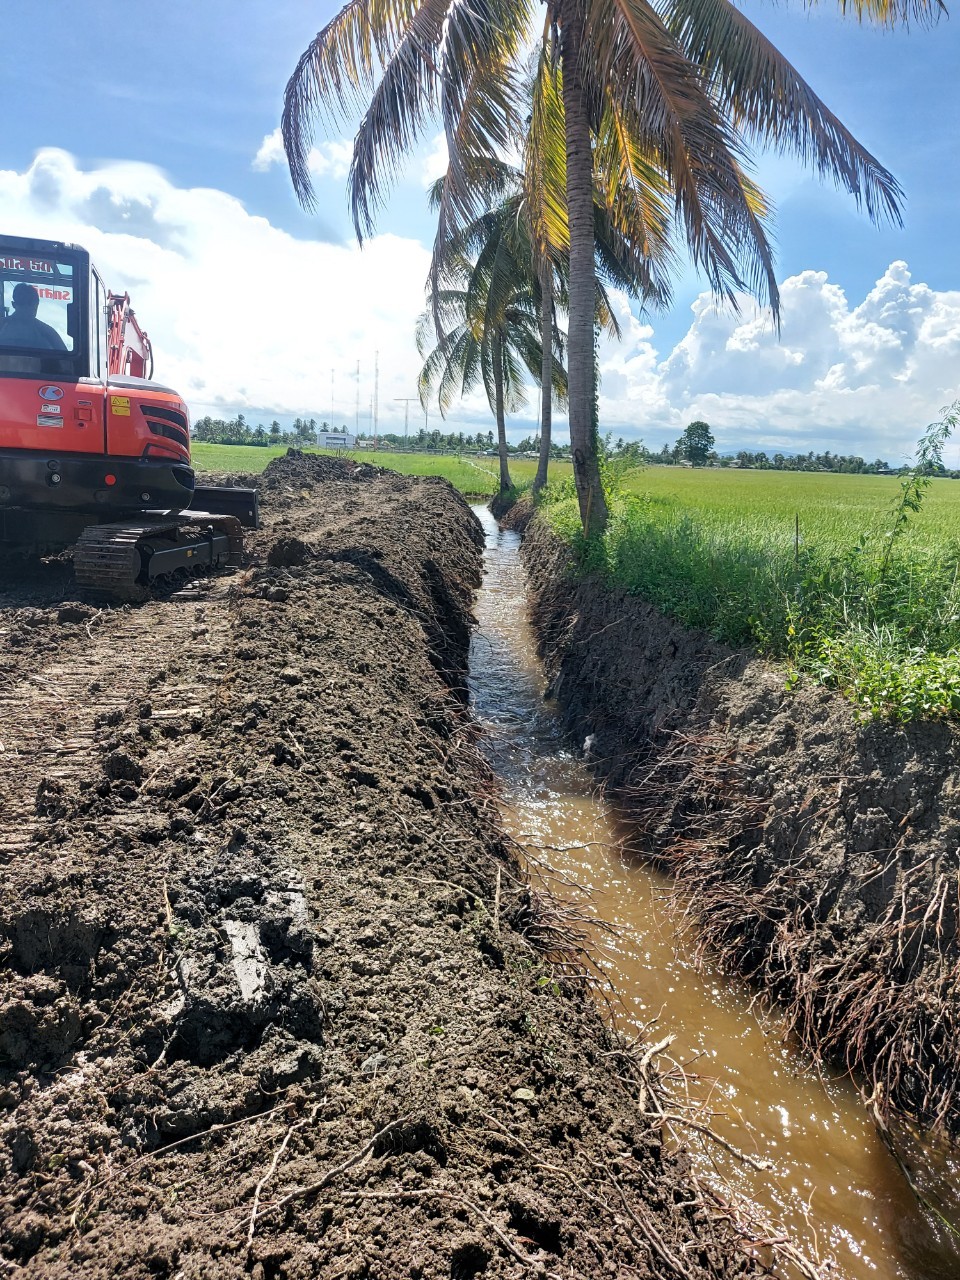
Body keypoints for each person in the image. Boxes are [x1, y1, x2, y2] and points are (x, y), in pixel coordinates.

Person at [0, 282, 67, 350]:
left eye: (30, 304)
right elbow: (66, 357)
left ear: (13, 304)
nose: (27, 309)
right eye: (23, 304)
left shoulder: (2, 325)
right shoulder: (48, 332)